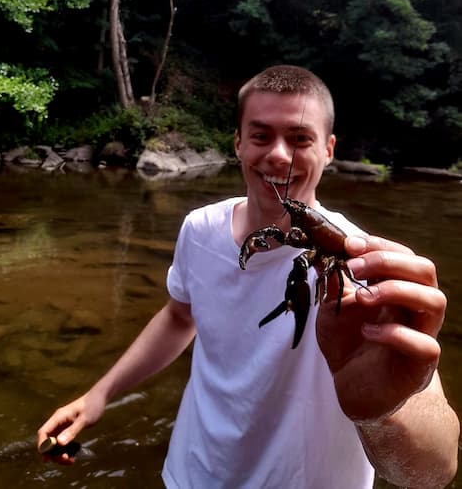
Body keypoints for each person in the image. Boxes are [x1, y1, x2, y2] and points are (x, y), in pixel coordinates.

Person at [38, 65, 459, 488]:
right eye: (261, 136)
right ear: (238, 143)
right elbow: (180, 316)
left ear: (329, 149)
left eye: (299, 139)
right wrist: (100, 394)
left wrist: (385, 410)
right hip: (192, 473)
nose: (278, 154)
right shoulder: (199, 228)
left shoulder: (366, 267)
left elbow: (434, 473)